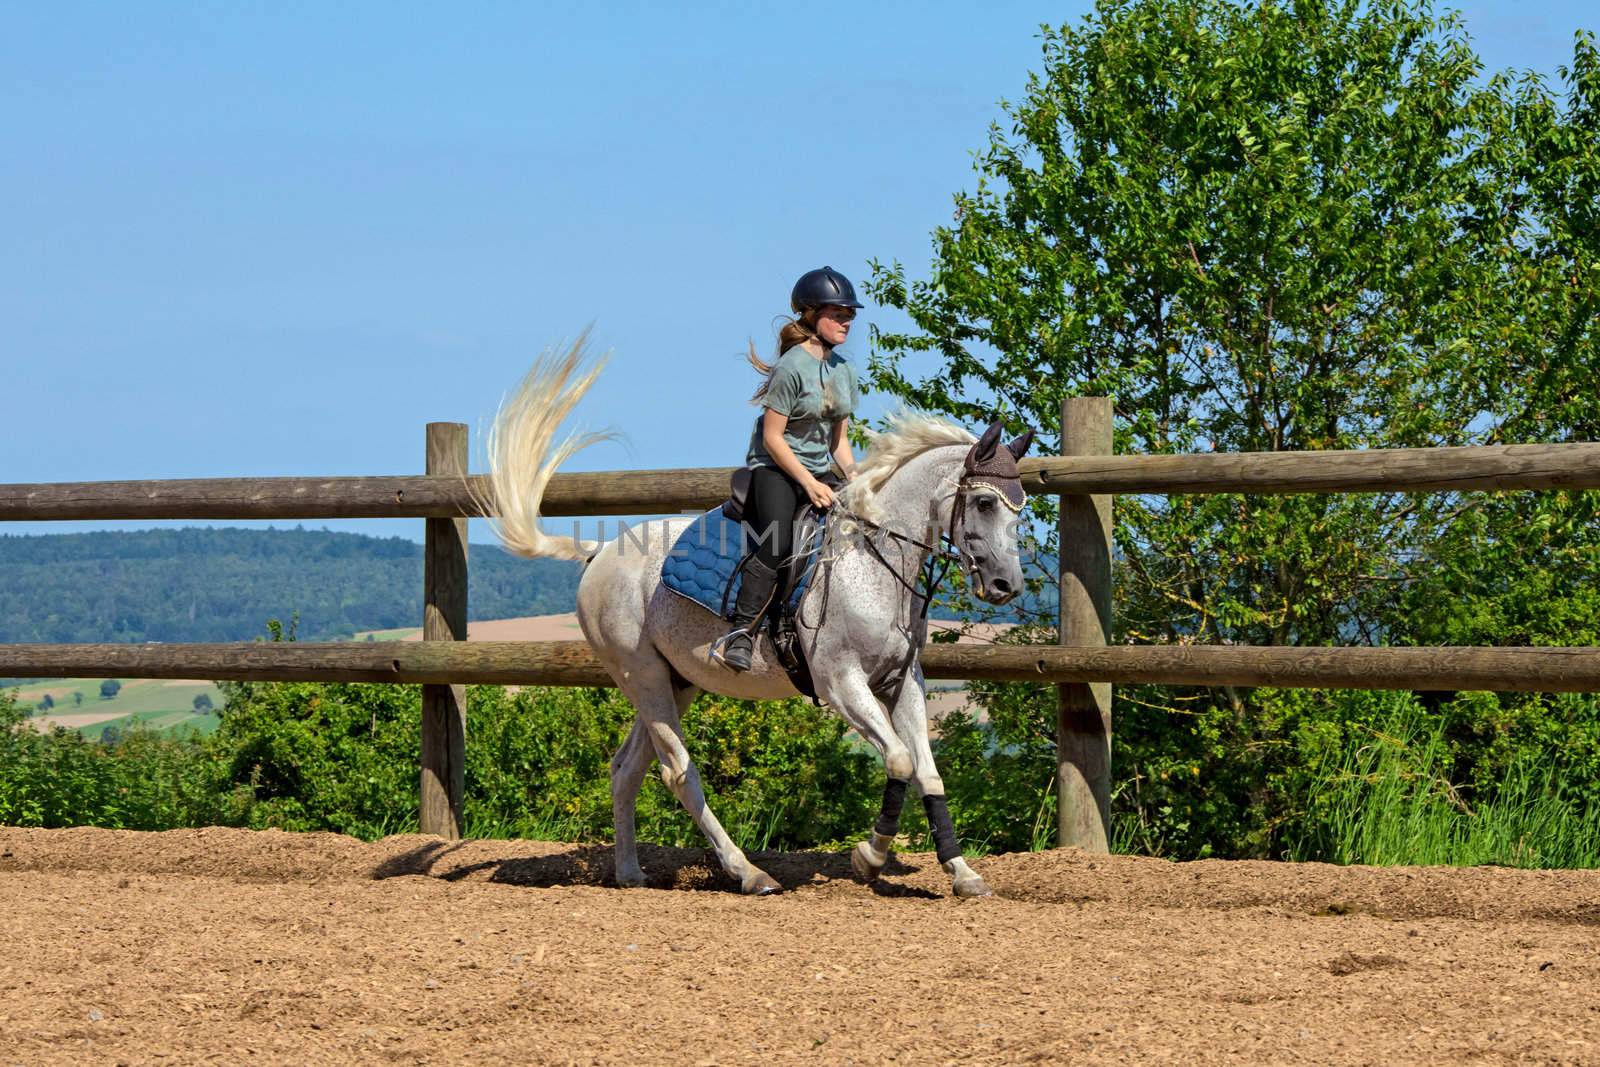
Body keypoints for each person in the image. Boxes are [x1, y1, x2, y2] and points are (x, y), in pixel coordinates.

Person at [721, 266, 862, 672]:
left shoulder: (845, 371)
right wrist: (808, 482)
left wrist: (858, 477)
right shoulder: (791, 368)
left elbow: (839, 443)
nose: (846, 321)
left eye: (849, 314)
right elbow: (773, 438)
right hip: (777, 471)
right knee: (779, 542)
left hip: (821, 472)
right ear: (810, 315)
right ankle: (742, 633)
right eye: (837, 314)